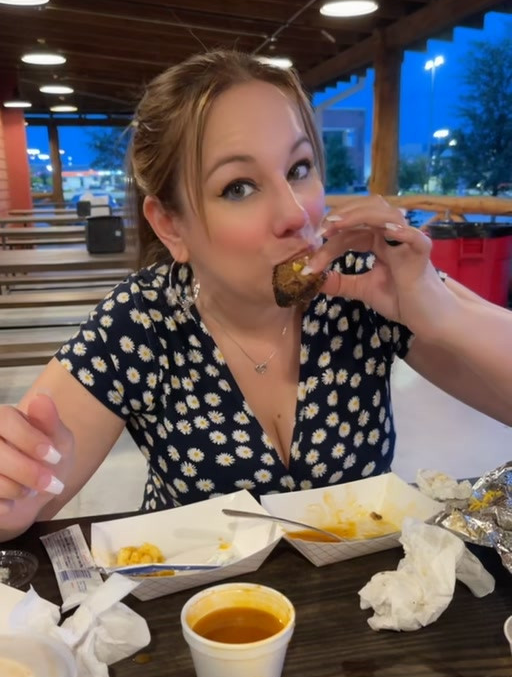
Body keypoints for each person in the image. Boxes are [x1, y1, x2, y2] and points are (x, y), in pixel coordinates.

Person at [1, 49, 511, 541]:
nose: (296, 213)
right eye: (239, 187)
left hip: (362, 595)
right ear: (171, 225)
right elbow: (21, 494)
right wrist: (12, 496)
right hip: (198, 598)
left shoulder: (363, 282)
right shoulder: (144, 320)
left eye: (299, 169)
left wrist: (442, 314)